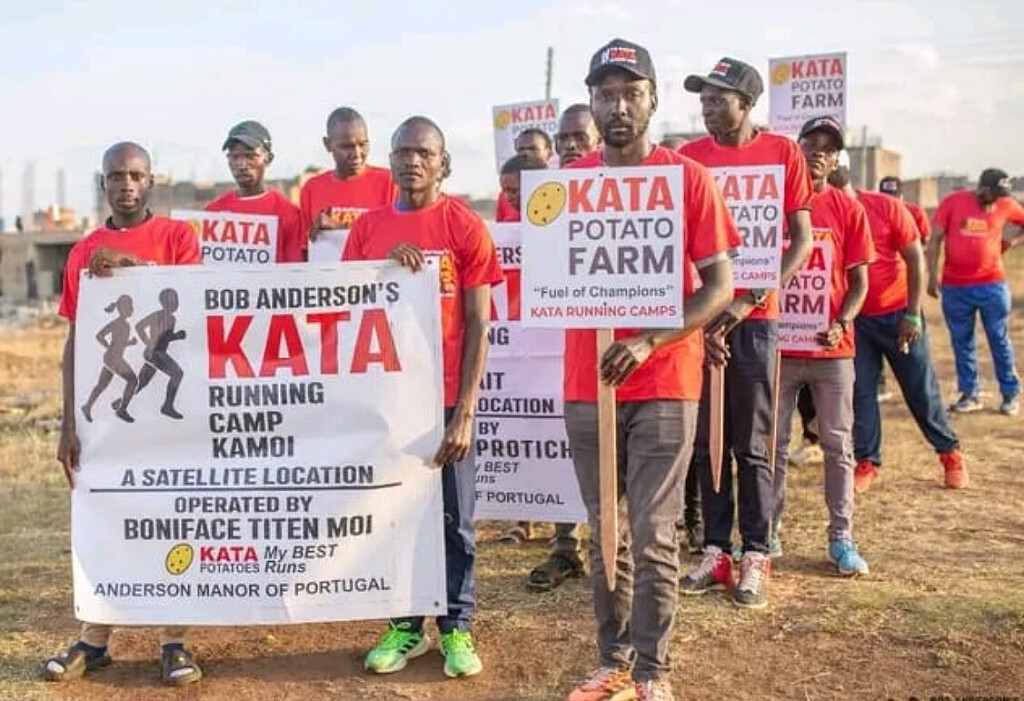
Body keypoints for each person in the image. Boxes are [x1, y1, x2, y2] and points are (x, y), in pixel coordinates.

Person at [562, 38, 735, 701]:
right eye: (605, 94)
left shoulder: (687, 180)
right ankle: (614, 659)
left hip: (664, 382)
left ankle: (652, 672)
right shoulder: (567, 187)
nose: (618, 106)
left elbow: (719, 286)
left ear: (653, 100)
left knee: (654, 533)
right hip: (586, 385)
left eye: (631, 93)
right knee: (607, 531)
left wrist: (649, 340)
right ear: (591, 102)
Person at [343, 116, 503, 680]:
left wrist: (466, 412)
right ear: (389, 161)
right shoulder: (368, 230)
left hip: (446, 400)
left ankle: (456, 626)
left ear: (442, 164)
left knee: (455, 521)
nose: (411, 161)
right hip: (390, 402)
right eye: (402, 152)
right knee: (396, 515)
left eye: (423, 153)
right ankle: (405, 625)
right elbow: (347, 308)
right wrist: (384, 269)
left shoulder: (465, 226)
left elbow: (480, 324)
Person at [43, 142, 203, 687]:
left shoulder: (179, 239)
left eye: (136, 175)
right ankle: (94, 638)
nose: (127, 184)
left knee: (173, 517)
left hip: (171, 414)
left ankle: (173, 640)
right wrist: (68, 423)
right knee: (106, 518)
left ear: (150, 182)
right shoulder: (83, 252)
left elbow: (194, 305)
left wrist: (133, 268)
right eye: (116, 176)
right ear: (103, 183)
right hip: (109, 417)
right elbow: (75, 341)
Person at [678, 57, 813, 609]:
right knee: (708, 441)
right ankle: (716, 549)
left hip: (756, 320)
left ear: (747, 104)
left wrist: (749, 299)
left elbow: (801, 241)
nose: (708, 108)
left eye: (718, 99)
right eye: (703, 100)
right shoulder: (689, 158)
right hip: (701, 318)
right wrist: (702, 314)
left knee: (752, 443)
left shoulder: (783, 152)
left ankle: (756, 551)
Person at [771, 117, 875, 575]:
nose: (818, 151)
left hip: (832, 350)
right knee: (772, 446)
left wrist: (843, 321)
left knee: (837, 445)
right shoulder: (773, 204)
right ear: (794, 150)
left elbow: (860, 283)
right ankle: (767, 532)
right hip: (779, 347)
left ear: (836, 160)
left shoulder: (848, 210)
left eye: (828, 147)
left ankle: (842, 539)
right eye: (809, 142)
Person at [831, 145, 965, 491]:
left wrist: (913, 315)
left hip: (898, 315)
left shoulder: (886, 207)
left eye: (832, 160)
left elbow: (915, 259)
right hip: (856, 321)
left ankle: (949, 453)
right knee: (861, 393)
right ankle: (867, 461)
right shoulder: (820, 211)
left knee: (920, 390)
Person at [525, 104, 603, 590]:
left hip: (621, 351)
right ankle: (566, 547)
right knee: (566, 450)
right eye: (564, 138)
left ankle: (614, 550)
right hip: (560, 347)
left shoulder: (629, 186)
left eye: (580, 137)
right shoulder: (548, 195)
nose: (571, 145)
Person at [928, 169, 1024, 417]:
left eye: (1001, 195)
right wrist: (932, 275)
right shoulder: (953, 202)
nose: (997, 199)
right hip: (955, 286)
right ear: (982, 188)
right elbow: (935, 239)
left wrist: (1011, 242)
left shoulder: (1005, 204)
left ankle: (1011, 393)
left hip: (992, 285)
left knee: (998, 338)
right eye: (994, 193)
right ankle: (970, 394)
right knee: (963, 342)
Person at [493, 151, 548, 547]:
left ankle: (565, 530)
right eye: (505, 191)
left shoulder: (559, 225)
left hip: (550, 349)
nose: (510, 198)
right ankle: (522, 517)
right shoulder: (507, 232)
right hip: (517, 345)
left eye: (515, 190)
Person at [300, 107, 397, 257]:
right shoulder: (312, 188)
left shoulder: (390, 183)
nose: (357, 154)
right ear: (328, 144)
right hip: (328, 272)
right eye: (347, 147)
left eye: (363, 144)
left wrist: (338, 228)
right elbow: (304, 251)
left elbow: (396, 243)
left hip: (375, 272)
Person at [205, 120, 304, 262]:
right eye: (234, 157)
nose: (241, 165)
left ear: (268, 159)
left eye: (250, 156)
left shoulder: (290, 215)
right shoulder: (213, 213)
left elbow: (294, 271)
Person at [80, 295, 138, 423]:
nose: (132, 309)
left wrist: (129, 343)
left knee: (102, 385)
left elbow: (119, 343)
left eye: (132, 306)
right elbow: (99, 335)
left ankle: (87, 406)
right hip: (113, 358)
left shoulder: (125, 325)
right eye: (129, 306)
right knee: (133, 380)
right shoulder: (118, 323)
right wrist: (108, 347)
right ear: (122, 308)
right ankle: (121, 408)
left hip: (113, 358)